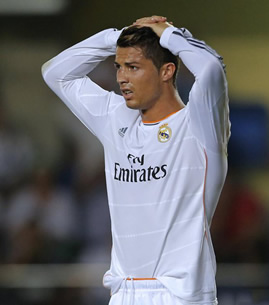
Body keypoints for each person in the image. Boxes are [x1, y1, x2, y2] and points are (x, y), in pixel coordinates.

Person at [42, 15, 230, 305]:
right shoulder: (115, 118)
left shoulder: (199, 124)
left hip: (181, 295)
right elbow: (55, 73)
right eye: (119, 67)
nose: (121, 78)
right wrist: (115, 37)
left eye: (133, 67)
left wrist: (168, 34)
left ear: (167, 71)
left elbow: (211, 69)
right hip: (124, 293)